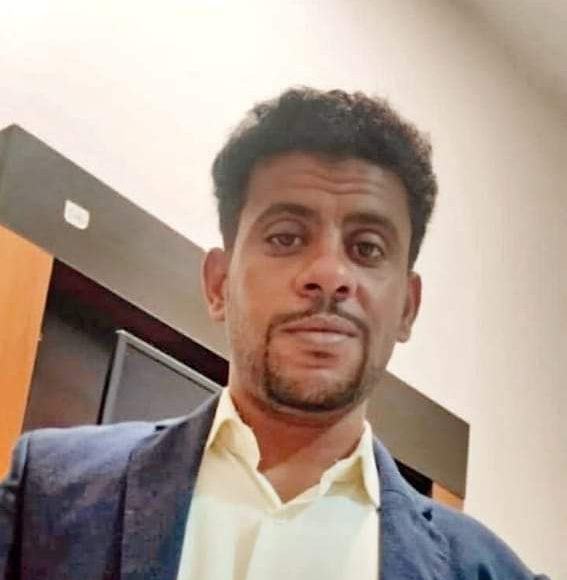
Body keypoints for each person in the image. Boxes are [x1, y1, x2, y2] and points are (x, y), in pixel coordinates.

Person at [0, 87, 547, 579]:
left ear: (407, 307)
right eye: (286, 238)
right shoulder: (51, 490)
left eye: (367, 248)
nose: (329, 274)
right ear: (218, 283)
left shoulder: (487, 572)